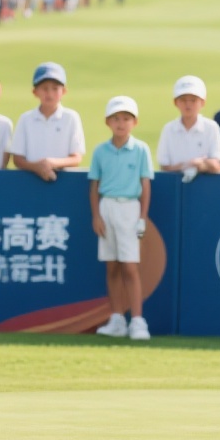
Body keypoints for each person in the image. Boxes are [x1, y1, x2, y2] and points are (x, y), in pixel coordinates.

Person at [90, 96, 154, 341]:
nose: (121, 123)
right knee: (112, 265)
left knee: (129, 266)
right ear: (108, 122)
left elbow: (145, 185)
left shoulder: (140, 150)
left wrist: (142, 217)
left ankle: (137, 321)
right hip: (107, 207)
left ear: (134, 123)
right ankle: (117, 319)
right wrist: (96, 215)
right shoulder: (100, 151)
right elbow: (94, 186)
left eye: (126, 119)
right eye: (116, 118)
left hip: (130, 208)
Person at [11, 62, 84, 181]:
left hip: (63, 181)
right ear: (35, 92)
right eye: (44, 88)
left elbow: (76, 158)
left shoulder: (71, 117)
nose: (49, 94)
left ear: (64, 91)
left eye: (55, 88)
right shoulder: (26, 119)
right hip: (30, 181)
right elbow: (17, 159)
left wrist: (51, 163)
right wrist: (37, 168)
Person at [156, 75, 220, 181]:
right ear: (175, 102)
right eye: (183, 100)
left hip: (207, 187)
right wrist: (187, 166)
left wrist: (202, 165)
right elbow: (164, 166)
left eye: (193, 100)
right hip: (176, 187)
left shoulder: (211, 127)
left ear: (202, 102)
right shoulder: (169, 129)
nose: (188, 104)